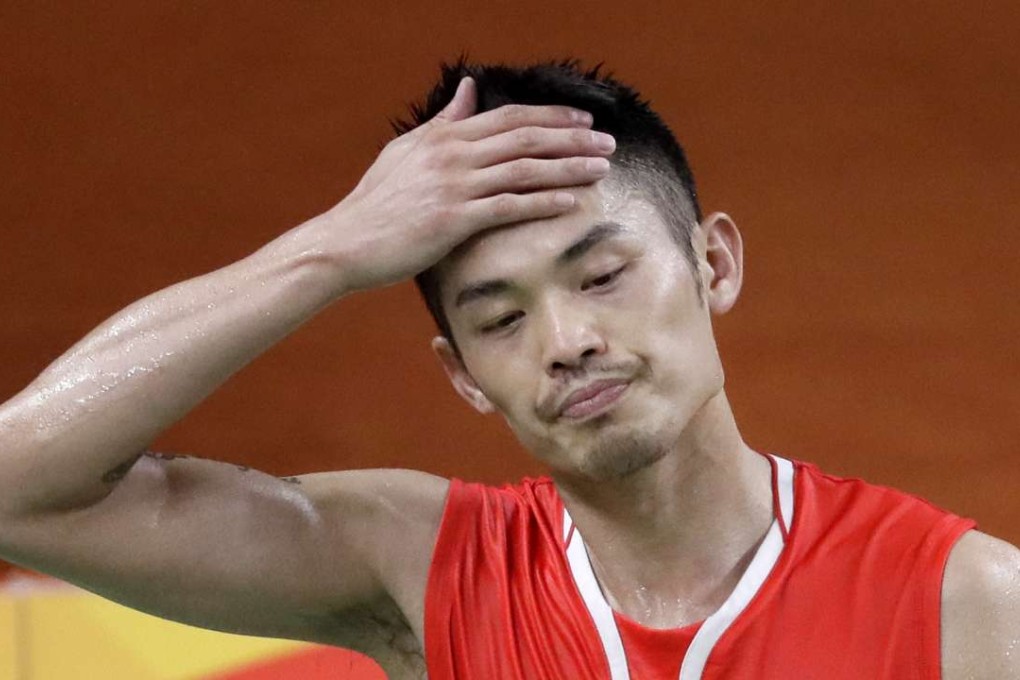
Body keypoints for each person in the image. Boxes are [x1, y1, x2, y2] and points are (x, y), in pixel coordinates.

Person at [0, 60, 1015, 680]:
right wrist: (331, 248)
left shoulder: (969, 606)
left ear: (714, 263)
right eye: (500, 316)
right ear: (464, 374)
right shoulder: (417, 572)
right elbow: (20, 483)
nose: (566, 338)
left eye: (603, 273)